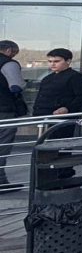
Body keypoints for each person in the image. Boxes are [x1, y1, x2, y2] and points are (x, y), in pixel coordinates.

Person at [32, 49, 82, 140]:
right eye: (50, 61)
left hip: (61, 118)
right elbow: (40, 96)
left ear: (68, 61)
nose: (52, 64)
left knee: (59, 143)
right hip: (44, 116)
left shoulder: (75, 77)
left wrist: (67, 108)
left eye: (56, 61)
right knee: (43, 142)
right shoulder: (47, 78)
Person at [0, 40, 26, 190]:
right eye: (15, 53)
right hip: (4, 110)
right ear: (9, 50)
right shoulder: (8, 63)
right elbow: (16, 86)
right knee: (2, 146)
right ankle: (1, 182)